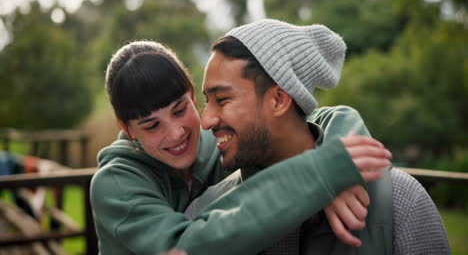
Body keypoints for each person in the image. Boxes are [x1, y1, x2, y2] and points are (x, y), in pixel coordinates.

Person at [90, 40, 391, 255]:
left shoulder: (218, 144)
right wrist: (318, 177)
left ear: (193, 95)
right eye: (152, 125)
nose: (176, 133)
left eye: (180, 109)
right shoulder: (115, 185)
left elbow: (317, 119)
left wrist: (339, 160)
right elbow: (185, 246)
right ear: (126, 127)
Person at [186, 19, 451, 254]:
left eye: (222, 99)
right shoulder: (203, 215)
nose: (206, 120)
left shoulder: (399, 202)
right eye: (207, 101)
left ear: (278, 99)